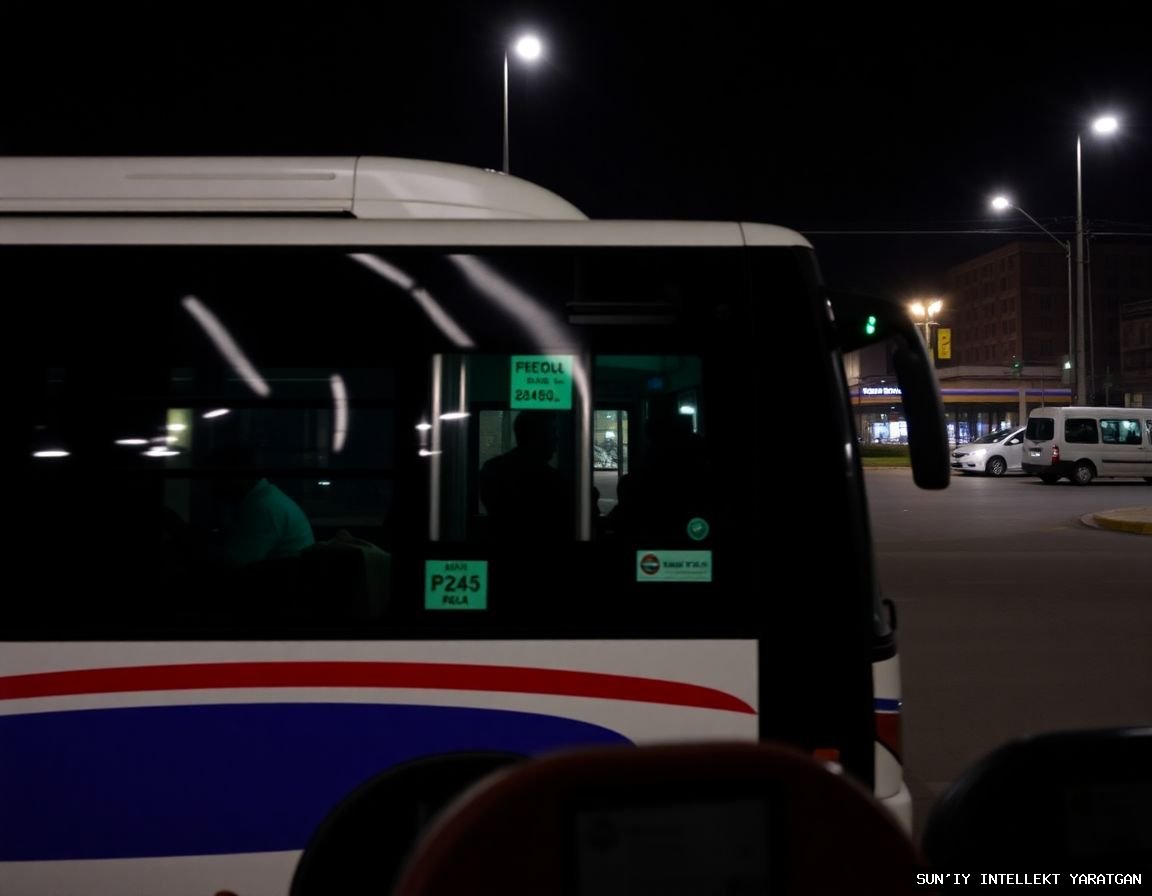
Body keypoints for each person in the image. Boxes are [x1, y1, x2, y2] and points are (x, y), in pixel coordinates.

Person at [208, 444, 315, 565]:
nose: (214, 484)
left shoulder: (261, 508)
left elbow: (235, 562)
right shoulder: (266, 501)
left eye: (220, 477)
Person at [479, 410, 570, 540]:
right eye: (552, 432)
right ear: (537, 436)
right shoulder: (552, 480)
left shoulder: (492, 468)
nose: (556, 438)